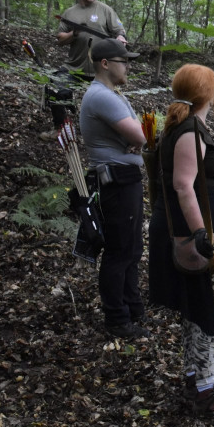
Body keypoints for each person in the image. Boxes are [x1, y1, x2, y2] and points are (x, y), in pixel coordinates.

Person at [147, 64, 214, 416]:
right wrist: (203, 234)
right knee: (210, 309)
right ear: (207, 94)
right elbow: (183, 187)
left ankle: (196, 379)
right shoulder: (189, 131)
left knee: (198, 309)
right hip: (195, 239)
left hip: (194, 234)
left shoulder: (184, 126)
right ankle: (205, 391)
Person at [78, 38, 148, 339]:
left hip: (124, 178)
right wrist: (140, 136)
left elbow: (145, 132)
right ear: (105, 63)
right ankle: (117, 319)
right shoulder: (101, 96)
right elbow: (144, 134)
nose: (128, 66)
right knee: (120, 251)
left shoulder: (111, 94)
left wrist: (141, 134)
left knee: (132, 249)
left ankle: (133, 310)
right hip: (115, 181)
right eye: (124, 61)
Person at [41, 0, 128, 141]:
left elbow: (119, 31)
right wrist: (74, 33)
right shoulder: (70, 13)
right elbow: (60, 39)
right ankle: (60, 129)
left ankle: (116, 133)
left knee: (114, 100)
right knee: (54, 88)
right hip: (75, 67)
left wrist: (120, 38)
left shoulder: (105, 10)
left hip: (101, 70)